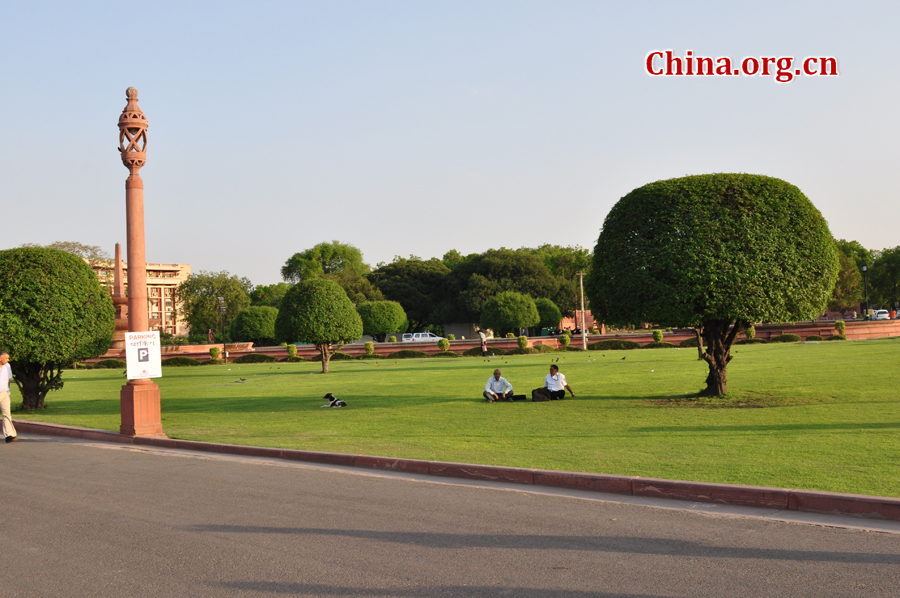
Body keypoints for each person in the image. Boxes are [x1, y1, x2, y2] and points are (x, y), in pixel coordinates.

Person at [0, 350, 18, 443]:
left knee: (7, 414)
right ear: (0, 358)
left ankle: (9, 435)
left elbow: (9, 379)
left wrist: (7, 390)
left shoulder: (7, 366)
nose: (8, 360)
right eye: (6, 358)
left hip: (4, 393)